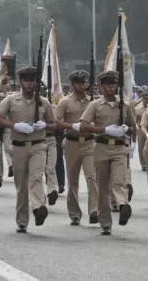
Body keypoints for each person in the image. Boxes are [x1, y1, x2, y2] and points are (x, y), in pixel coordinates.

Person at [0, 66, 56, 232]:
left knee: (35, 177)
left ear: (36, 82)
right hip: (19, 147)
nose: (29, 84)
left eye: (32, 80)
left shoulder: (43, 101)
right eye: (26, 80)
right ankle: (22, 220)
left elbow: (54, 123)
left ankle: (39, 207)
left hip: (38, 145)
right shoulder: (11, 100)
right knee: (21, 187)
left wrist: (45, 125)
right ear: (21, 82)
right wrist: (14, 125)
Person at [79, 70, 136, 235]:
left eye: (114, 84)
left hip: (120, 147)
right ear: (102, 87)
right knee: (102, 187)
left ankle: (123, 205)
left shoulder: (124, 105)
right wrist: (103, 129)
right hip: (101, 147)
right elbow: (83, 125)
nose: (111, 87)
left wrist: (127, 129)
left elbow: (133, 126)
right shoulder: (95, 105)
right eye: (108, 84)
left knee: (119, 181)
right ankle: (105, 222)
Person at [54, 70, 98, 226]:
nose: (82, 85)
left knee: (92, 177)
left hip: (89, 142)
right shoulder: (65, 102)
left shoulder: (93, 101)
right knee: (73, 181)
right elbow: (56, 121)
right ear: (72, 84)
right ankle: (74, 213)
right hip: (72, 141)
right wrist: (72, 125)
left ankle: (94, 210)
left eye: (84, 82)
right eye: (78, 83)